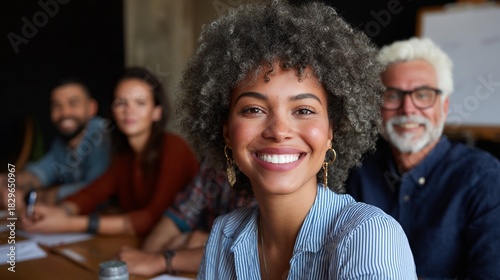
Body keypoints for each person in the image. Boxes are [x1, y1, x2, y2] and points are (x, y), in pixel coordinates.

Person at [176, 1, 417, 279]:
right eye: (254, 109)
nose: (279, 131)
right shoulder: (223, 235)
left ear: (331, 133)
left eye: (303, 110)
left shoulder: (368, 236)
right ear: (227, 133)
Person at [346, 37, 500, 278]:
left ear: (444, 106)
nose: (408, 109)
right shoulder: (356, 172)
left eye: (423, 94)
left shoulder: (485, 178)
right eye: (393, 95)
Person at [21, 67, 199, 235]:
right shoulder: (125, 156)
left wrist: (69, 223)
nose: (128, 110)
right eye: (121, 102)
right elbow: (92, 194)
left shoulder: (174, 147)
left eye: (140, 102)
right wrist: (60, 211)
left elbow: (153, 218)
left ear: (156, 112)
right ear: (113, 111)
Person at [118, 159, 256, 277]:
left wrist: (161, 259)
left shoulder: (269, 176)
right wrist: (150, 255)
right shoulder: (215, 163)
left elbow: (248, 253)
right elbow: (180, 215)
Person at [0, 79, 111, 207]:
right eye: (57, 106)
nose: (65, 113)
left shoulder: (101, 134)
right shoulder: (62, 144)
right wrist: (4, 182)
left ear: (91, 108)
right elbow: (40, 173)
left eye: (73, 103)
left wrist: (29, 198)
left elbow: (96, 191)